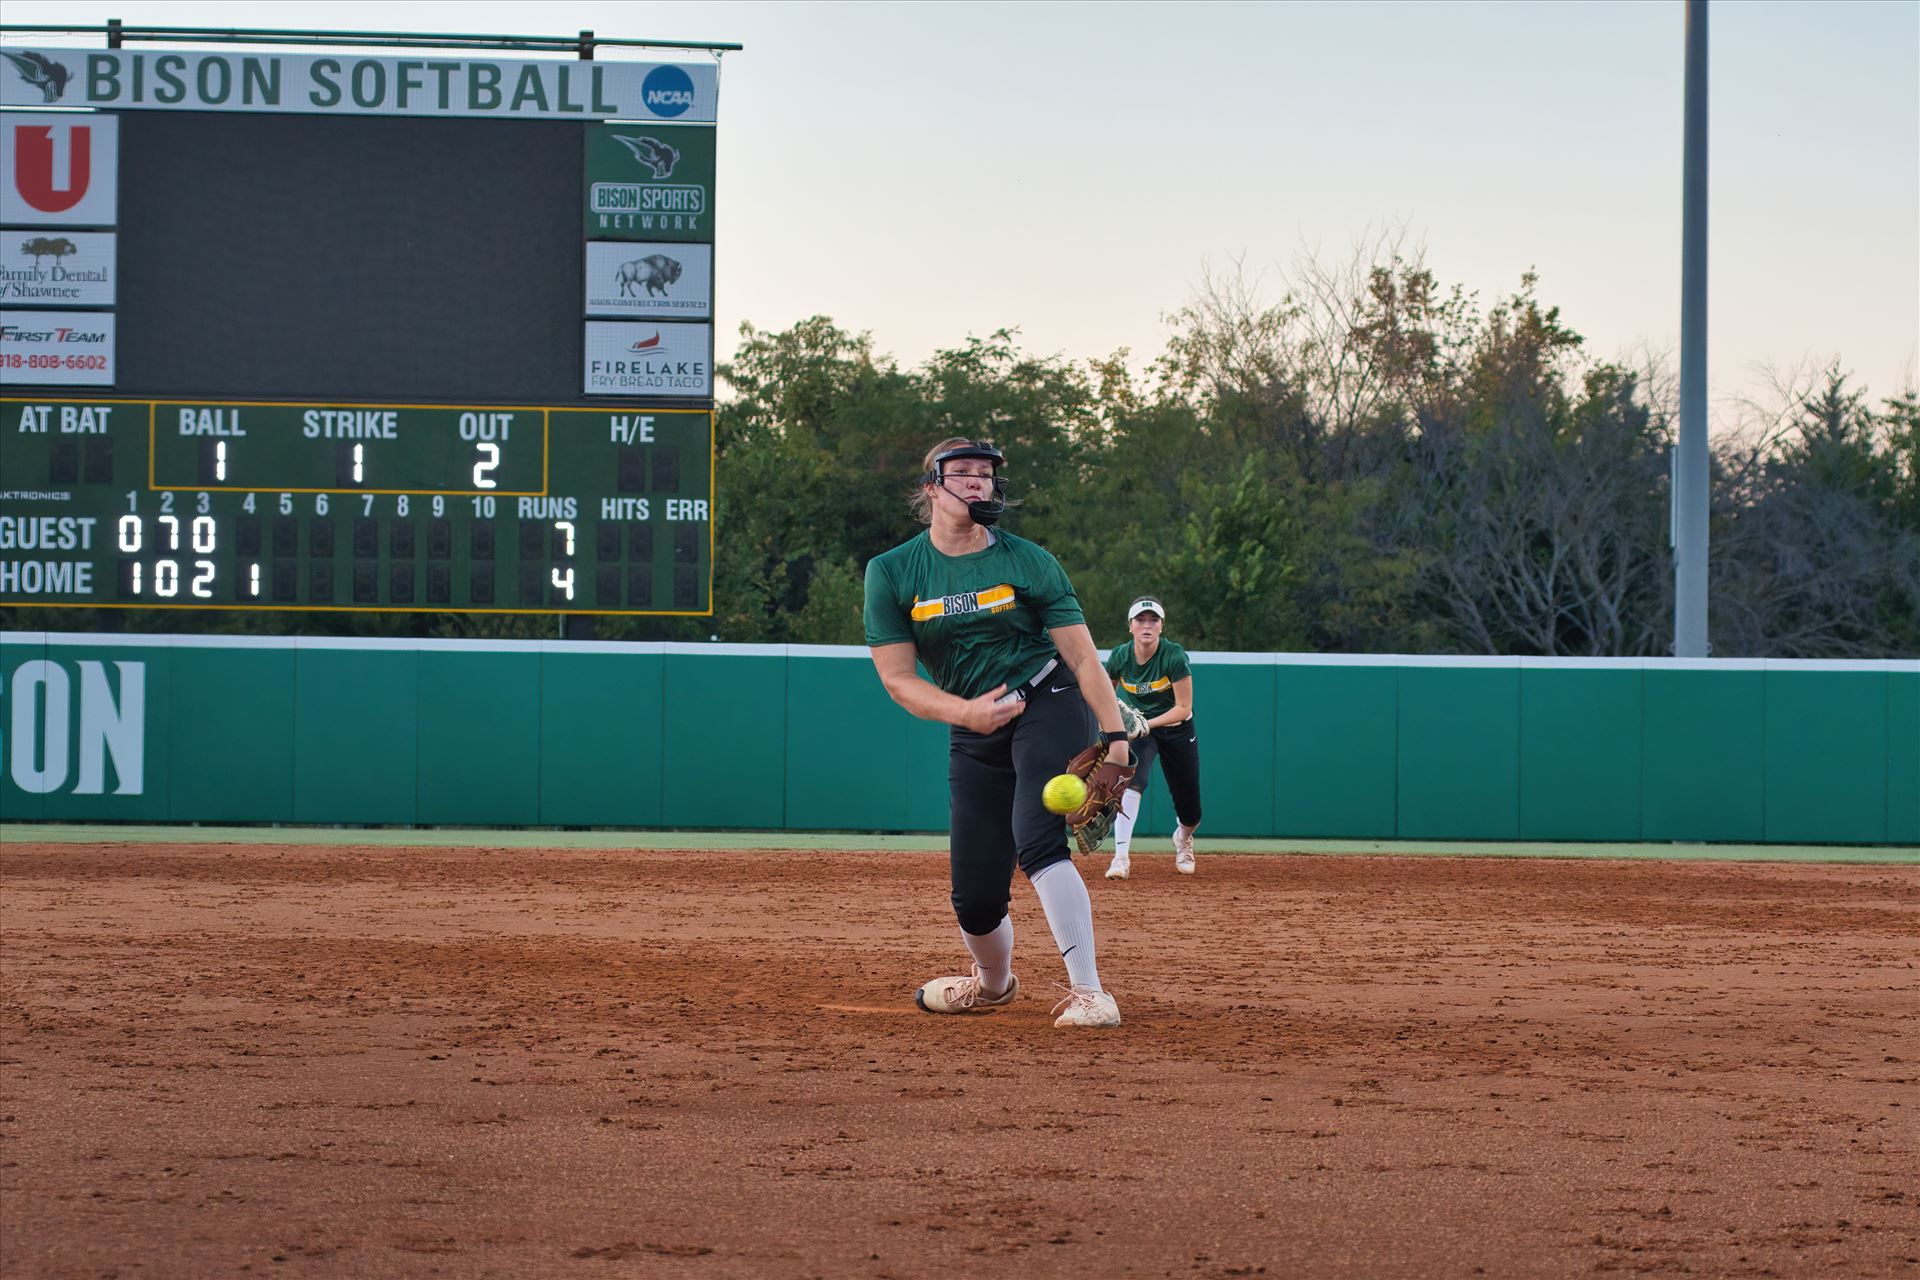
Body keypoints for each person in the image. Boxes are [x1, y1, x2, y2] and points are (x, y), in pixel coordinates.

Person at [863, 437, 1133, 1029]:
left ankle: (1091, 993)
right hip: (973, 723)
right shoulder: (892, 572)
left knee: (1037, 843)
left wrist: (1116, 737)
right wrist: (964, 714)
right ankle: (992, 986)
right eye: (963, 474)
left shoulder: (1027, 559)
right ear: (932, 487)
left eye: (986, 475)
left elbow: (1085, 660)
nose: (980, 483)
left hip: (1046, 696)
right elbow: (898, 679)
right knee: (976, 898)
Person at [1103, 596, 1202, 880]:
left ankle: (1183, 838)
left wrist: (1145, 724)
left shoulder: (1173, 656)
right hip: (1139, 728)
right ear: (1130, 626)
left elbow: (1183, 708)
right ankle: (1120, 857)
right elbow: (1104, 697)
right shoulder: (1120, 656)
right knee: (1132, 783)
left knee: (1191, 808)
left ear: (1161, 626)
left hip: (1176, 728)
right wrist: (1113, 731)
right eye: (1141, 620)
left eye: (1153, 620)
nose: (1147, 625)